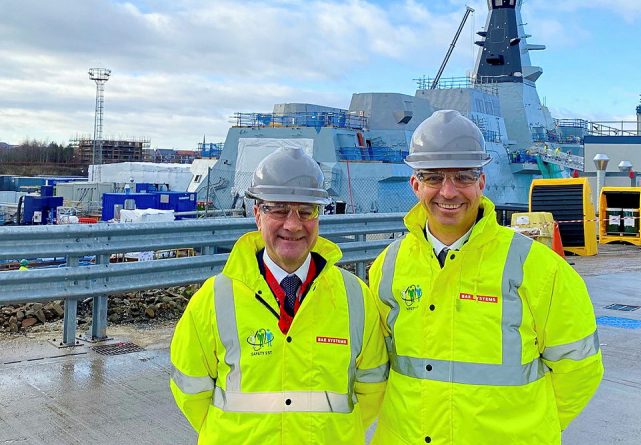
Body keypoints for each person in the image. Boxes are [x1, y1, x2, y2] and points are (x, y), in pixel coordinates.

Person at [368, 110, 603, 444]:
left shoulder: (538, 268)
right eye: (434, 177)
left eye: (462, 176)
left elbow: (579, 370)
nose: (448, 192)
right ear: (415, 184)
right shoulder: (388, 265)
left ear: (481, 181)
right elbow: (374, 370)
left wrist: (530, 430)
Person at [170, 147, 388, 444]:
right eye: (279, 209)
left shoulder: (354, 297)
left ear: (319, 215)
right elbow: (190, 390)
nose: (293, 224)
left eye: (306, 210)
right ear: (257, 214)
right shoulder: (214, 298)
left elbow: (372, 388)